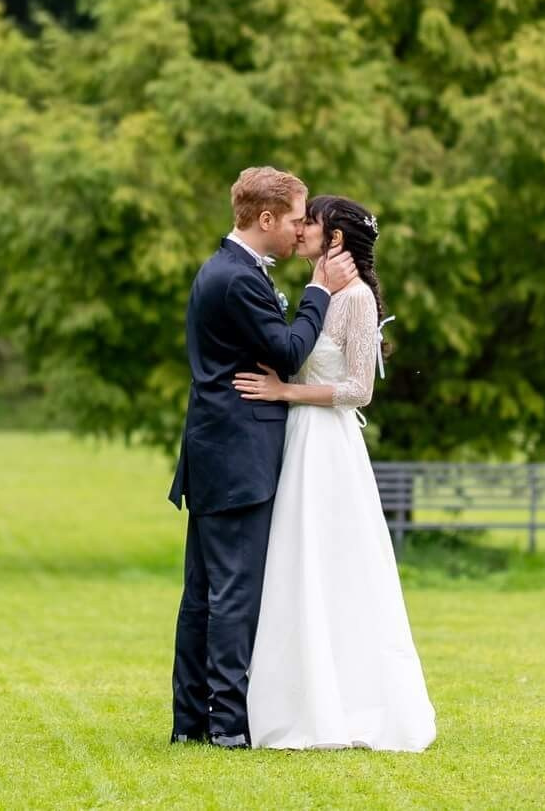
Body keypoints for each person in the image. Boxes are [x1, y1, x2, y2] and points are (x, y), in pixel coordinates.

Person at [235, 194, 436, 752]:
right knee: (294, 563)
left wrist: (284, 392)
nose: (299, 230)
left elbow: (358, 389)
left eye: (310, 223)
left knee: (332, 564)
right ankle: (293, 700)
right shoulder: (318, 292)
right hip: (299, 441)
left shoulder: (356, 300)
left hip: (329, 447)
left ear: (336, 238)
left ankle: (347, 705)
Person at [168, 167, 360, 748]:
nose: (302, 228)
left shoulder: (229, 269)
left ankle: (193, 722)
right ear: (267, 217)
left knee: (204, 593)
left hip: (216, 451)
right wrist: (319, 291)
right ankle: (227, 725)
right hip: (236, 456)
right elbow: (288, 349)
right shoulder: (238, 279)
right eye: (297, 218)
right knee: (232, 592)